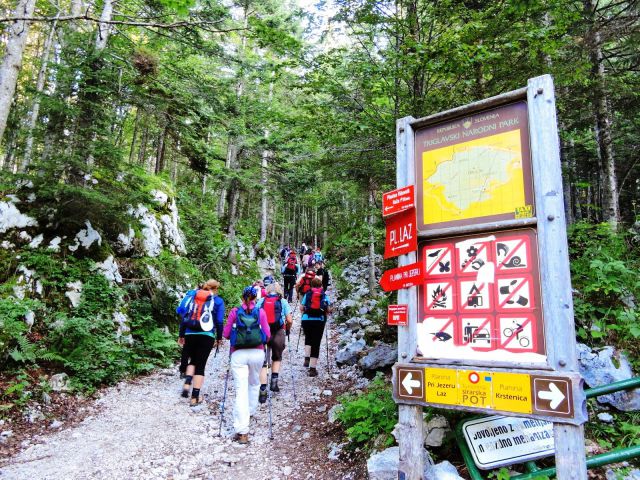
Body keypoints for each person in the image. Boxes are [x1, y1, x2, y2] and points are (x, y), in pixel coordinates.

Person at [222, 286, 271, 444]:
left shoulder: (235, 312)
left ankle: (242, 431)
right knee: (254, 381)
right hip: (257, 353)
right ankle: (250, 411)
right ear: (255, 297)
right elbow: (267, 335)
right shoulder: (260, 312)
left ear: (242, 298)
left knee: (240, 389)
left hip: (238, 354)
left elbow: (226, 334)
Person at [177, 279, 225, 406]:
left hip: (190, 332)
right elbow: (219, 322)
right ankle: (194, 398)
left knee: (193, 359)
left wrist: (181, 334)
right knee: (201, 365)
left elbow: (184, 316)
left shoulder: (194, 296)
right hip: (207, 334)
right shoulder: (218, 301)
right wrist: (219, 337)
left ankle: (187, 382)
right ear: (216, 288)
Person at [256, 282, 293, 398]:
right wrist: (287, 330)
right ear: (279, 290)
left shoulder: (261, 301)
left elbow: (255, 316)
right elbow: (289, 319)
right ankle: (274, 382)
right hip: (278, 331)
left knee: (263, 362)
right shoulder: (283, 301)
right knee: (277, 357)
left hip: (263, 332)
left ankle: (262, 390)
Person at [299, 277, 330, 377]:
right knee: (316, 343)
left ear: (311, 285)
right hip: (319, 321)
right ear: (321, 285)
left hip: (306, 319)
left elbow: (301, 307)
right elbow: (328, 309)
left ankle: (306, 358)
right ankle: (312, 369)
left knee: (308, 338)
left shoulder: (308, 294)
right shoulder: (324, 295)